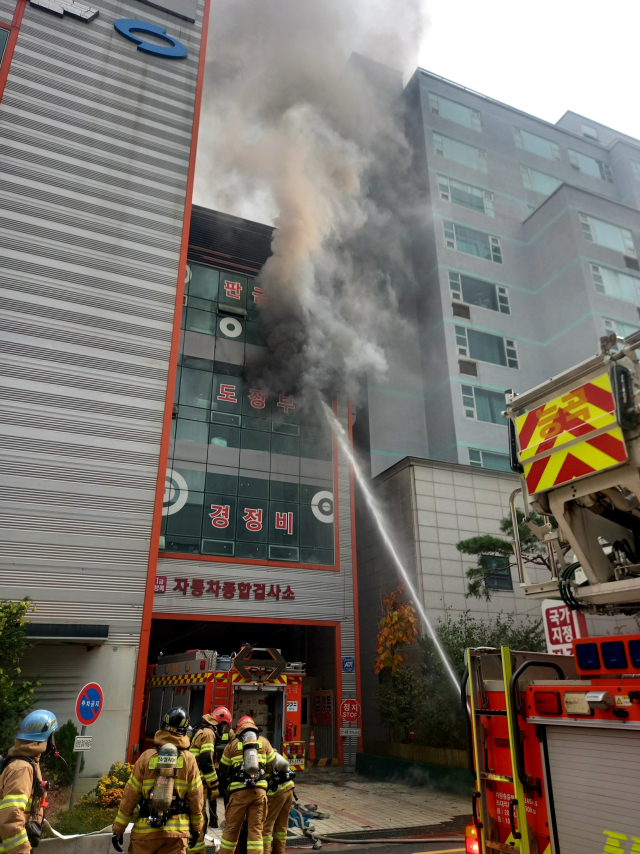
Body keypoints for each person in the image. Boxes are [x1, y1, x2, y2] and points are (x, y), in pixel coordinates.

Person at [112, 707, 203, 854]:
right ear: (185, 731)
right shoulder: (189, 760)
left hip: (145, 832)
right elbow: (196, 798)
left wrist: (118, 829)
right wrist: (196, 828)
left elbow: (130, 796)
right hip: (176, 834)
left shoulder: (146, 757)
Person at [0, 710, 59, 854]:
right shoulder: (22, 768)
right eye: (51, 738)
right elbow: (11, 816)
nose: (53, 744)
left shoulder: (30, 762)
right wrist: (22, 850)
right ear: (44, 738)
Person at [218, 716, 275, 854]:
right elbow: (272, 766)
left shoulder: (232, 745)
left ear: (239, 729)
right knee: (256, 832)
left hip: (239, 793)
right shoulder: (264, 742)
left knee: (231, 831)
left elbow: (223, 769)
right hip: (259, 792)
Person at [188, 707, 231, 851]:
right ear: (220, 723)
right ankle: (196, 849)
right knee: (199, 818)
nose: (224, 729)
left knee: (199, 817)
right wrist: (214, 785)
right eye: (224, 725)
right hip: (197, 781)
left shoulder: (203, 730)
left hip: (194, 779)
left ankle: (198, 848)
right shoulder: (208, 733)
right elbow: (206, 760)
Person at [263, 753, 295, 854]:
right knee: (281, 827)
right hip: (289, 787)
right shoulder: (269, 748)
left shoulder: (256, 752)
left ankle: (265, 852)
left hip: (276, 792)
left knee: (266, 827)